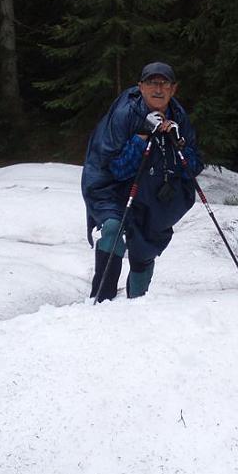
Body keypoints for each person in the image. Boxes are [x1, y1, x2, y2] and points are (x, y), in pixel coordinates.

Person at [81, 61, 204, 301]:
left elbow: (194, 166)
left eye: (164, 83)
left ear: (173, 88)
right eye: (151, 83)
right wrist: (142, 136)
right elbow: (115, 168)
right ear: (141, 86)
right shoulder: (125, 113)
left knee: (147, 243)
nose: (158, 89)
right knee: (114, 228)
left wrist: (178, 143)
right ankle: (101, 298)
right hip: (111, 187)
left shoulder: (178, 116)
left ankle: (137, 304)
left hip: (153, 189)